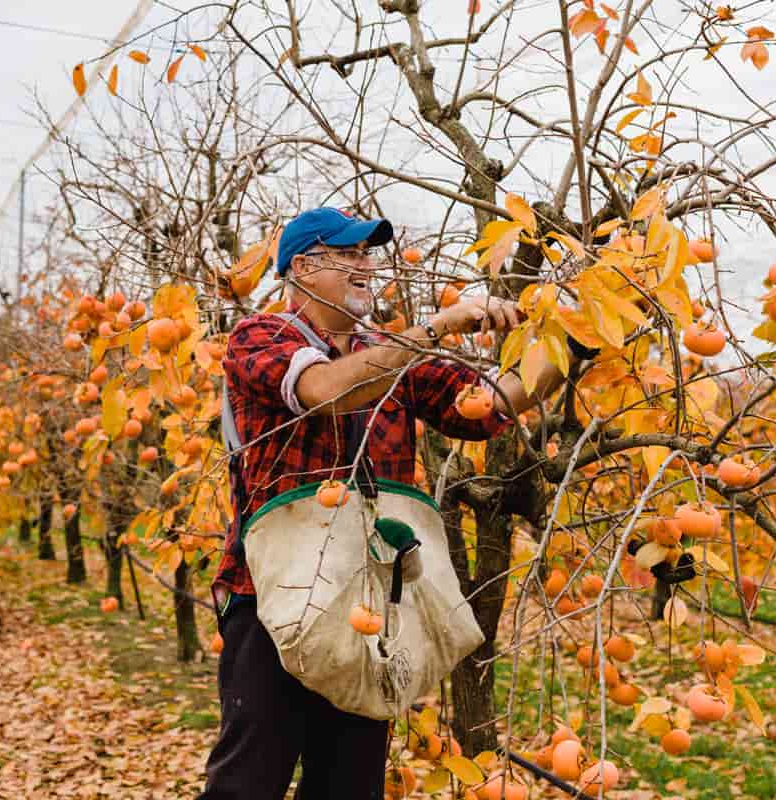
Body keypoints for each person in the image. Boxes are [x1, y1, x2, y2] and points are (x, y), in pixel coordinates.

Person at [200, 207, 586, 799]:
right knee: (249, 782)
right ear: (302, 267)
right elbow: (325, 391)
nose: (365, 266)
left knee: (348, 786)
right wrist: (436, 327)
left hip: (365, 601)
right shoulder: (261, 337)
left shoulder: (389, 351)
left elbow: (482, 409)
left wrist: (567, 349)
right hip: (272, 597)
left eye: (367, 254)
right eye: (349, 253)